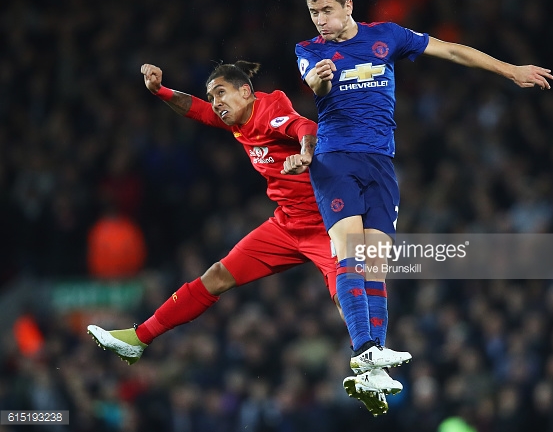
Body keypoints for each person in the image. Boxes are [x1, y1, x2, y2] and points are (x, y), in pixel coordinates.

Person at [290, 0, 553, 405]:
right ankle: (364, 352)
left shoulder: (388, 36)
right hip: (335, 160)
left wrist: (510, 71)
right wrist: (318, 81)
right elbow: (312, 83)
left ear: (348, 7)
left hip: (380, 163)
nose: (320, 20)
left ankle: (372, 361)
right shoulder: (309, 51)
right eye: (314, 12)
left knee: (376, 265)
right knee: (351, 254)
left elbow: (450, 50)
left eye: (327, 10)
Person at [87, 60, 391, 416]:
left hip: (326, 225)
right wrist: (160, 91)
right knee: (216, 276)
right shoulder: (237, 119)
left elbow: (305, 125)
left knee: (346, 292)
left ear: (245, 92)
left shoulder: (267, 109)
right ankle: (138, 340)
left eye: (221, 93)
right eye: (212, 95)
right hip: (285, 225)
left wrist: (305, 155)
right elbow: (196, 110)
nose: (215, 102)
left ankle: (372, 372)